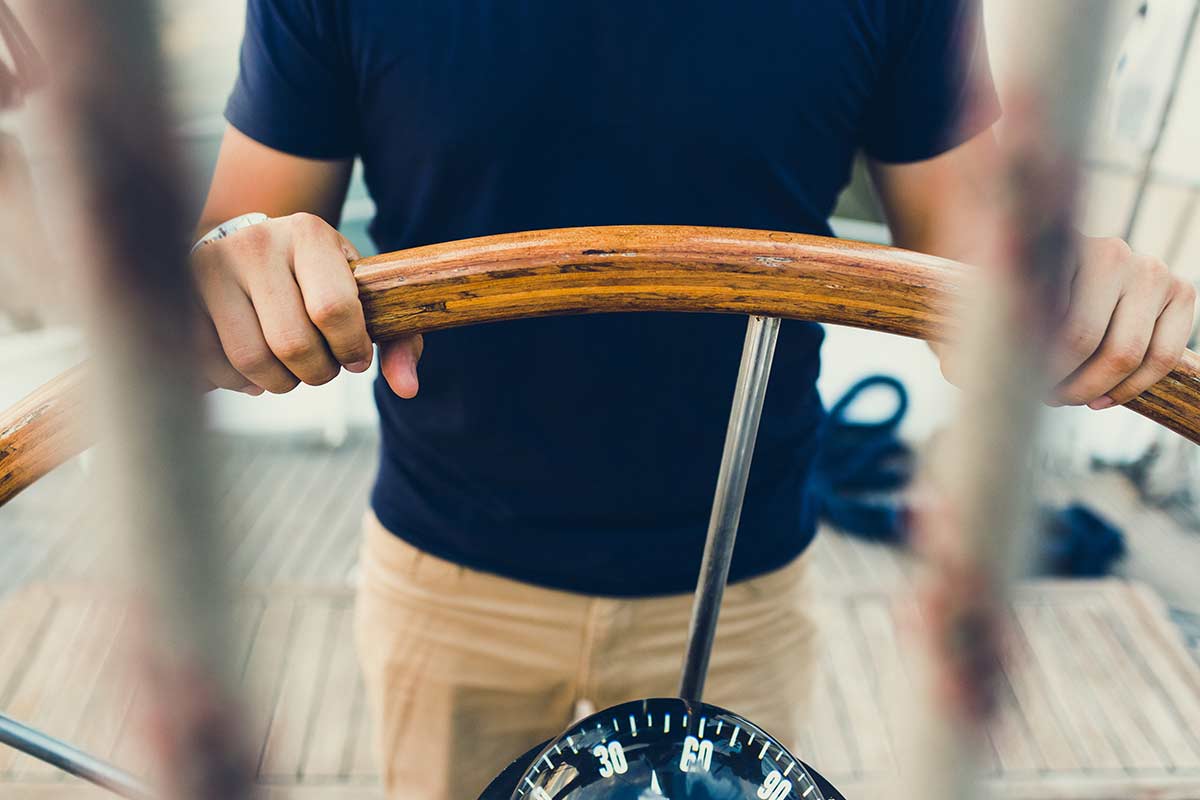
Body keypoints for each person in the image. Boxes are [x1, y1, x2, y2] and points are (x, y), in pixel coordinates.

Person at [191, 1, 1196, 797]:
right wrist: (241, 270)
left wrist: (1072, 290)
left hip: (745, 586)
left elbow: (977, 275)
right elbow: (244, 232)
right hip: (444, 574)